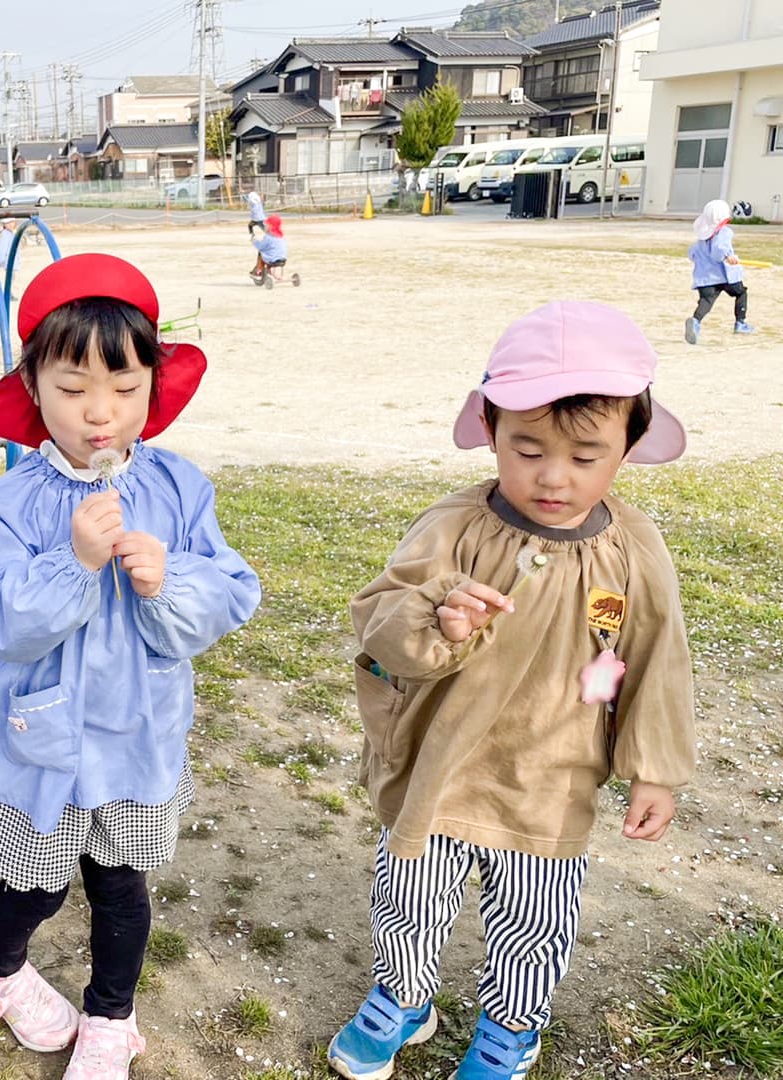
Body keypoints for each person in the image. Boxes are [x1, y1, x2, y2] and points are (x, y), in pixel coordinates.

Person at [328, 301, 695, 1080]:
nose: (552, 476)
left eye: (585, 455)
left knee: (533, 921)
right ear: (491, 428)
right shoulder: (454, 526)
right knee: (409, 899)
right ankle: (404, 996)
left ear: (628, 447)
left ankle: (511, 1027)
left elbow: (659, 658)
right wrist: (438, 617)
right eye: (525, 448)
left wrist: (655, 766)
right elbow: (379, 619)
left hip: (550, 778)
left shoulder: (634, 551)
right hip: (443, 766)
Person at [0, 254, 260, 1079]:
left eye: (123, 392)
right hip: (39, 750)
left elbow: (233, 594)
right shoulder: (11, 505)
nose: (99, 415)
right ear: (32, 387)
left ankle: (110, 1018)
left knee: (121, 888)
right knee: (36, 885)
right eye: (72, 389)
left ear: (151, 388)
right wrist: (70, 563)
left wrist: (174, 579)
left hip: (134, 742)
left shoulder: (180, 488)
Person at [686, 198, 753, 343]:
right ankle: (741, 323)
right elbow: (718, 250)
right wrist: (728, 256)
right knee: (741, 292)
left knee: (706, 301)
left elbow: (691, 253)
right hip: (725, 276)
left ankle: (695, 321)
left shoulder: (702, 238)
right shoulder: (724, 232)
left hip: (705, 278)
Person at [251, 215, 287, 283]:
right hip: (283, 259)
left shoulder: (268, 237)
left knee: (261, 252)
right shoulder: (281, 236)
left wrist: (254, 241)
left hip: (273, 259)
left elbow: (260, 246)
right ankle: (268, 271)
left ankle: (258, 271)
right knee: (268, 253)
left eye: (266, 225)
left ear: (271, 226)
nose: (264, 227)